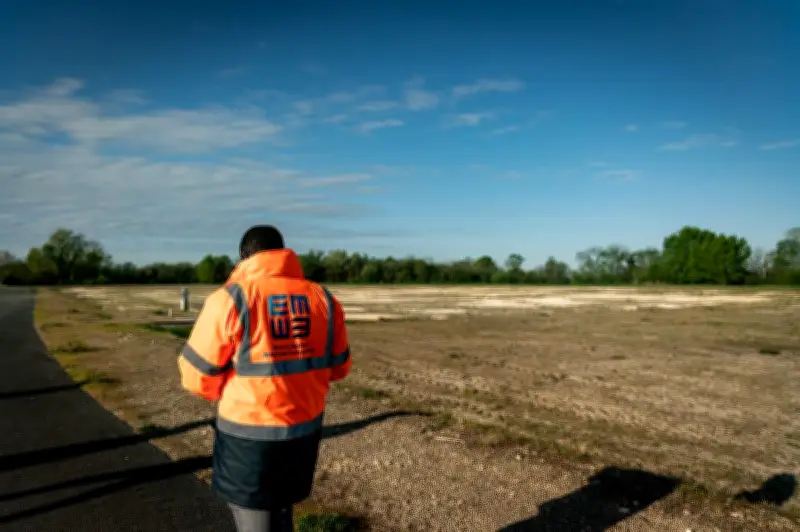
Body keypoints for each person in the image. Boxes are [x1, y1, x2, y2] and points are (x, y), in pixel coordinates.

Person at [177, 225, 352, 532]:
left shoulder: (231, 299)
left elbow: (196, 377)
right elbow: (339, 368)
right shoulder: (324, 298)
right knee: (283, 511)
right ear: (284, 252)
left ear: (244, 257)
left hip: (247, 437)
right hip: (303, 432)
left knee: (254, 519)